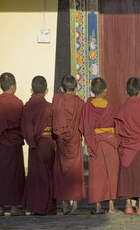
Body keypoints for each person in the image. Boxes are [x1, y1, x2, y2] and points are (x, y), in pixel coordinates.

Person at [115, 77, 140, 215]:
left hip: (127, 147)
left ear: (127, 91)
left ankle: (128, 206)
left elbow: (118, 129)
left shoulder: (123, 108)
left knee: (128, 176)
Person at [80, 77, 119, 214]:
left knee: (97, 175)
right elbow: (116, 125)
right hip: (109, 142)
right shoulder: (109, 106)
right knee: (111, 174)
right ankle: (111, 205)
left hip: (95, 142)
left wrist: (89, 140)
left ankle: (97, 206)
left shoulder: (88, 106)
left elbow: (85, 125)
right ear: (105, 91)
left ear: (92, 90)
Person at [21, 76, 56, 215]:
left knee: (35, 174)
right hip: (47, 143)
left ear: (31, 90)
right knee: (47, 174)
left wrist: (31, 140)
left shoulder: (27, 106)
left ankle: (35, 206)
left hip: (35, 145)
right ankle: (47, 207)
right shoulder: (49, 107)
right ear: (46, 90)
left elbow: (24, 127)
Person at [0, 73, 25, 216]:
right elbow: (22, 123)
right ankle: (14, 207)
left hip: (1, 142)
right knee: (15, 174)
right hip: (15, 141)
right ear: (13, 87)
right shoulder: (18, 103)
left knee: (0, 173)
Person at [52, 75, 85, 215]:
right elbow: (83, 122)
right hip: (75, 140)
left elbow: (53, 118)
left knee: (62, 171)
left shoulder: (58, 100)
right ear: (76, 88)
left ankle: (65, 204)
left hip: (62, 141)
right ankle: (75, 205)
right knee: (75, 171)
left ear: (61, 88)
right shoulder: (80, 102)